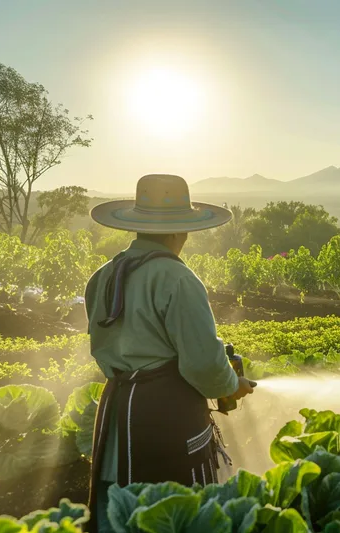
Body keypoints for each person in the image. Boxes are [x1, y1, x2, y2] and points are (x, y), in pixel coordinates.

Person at [84, 174, 254, 532]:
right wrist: (231, 383)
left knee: (118, 513)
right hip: (164, 417)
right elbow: (204, 364)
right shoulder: (177, 278)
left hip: (117, 410)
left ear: (137, 227)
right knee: (171, 513)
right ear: (183, 232)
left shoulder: (103, 275)